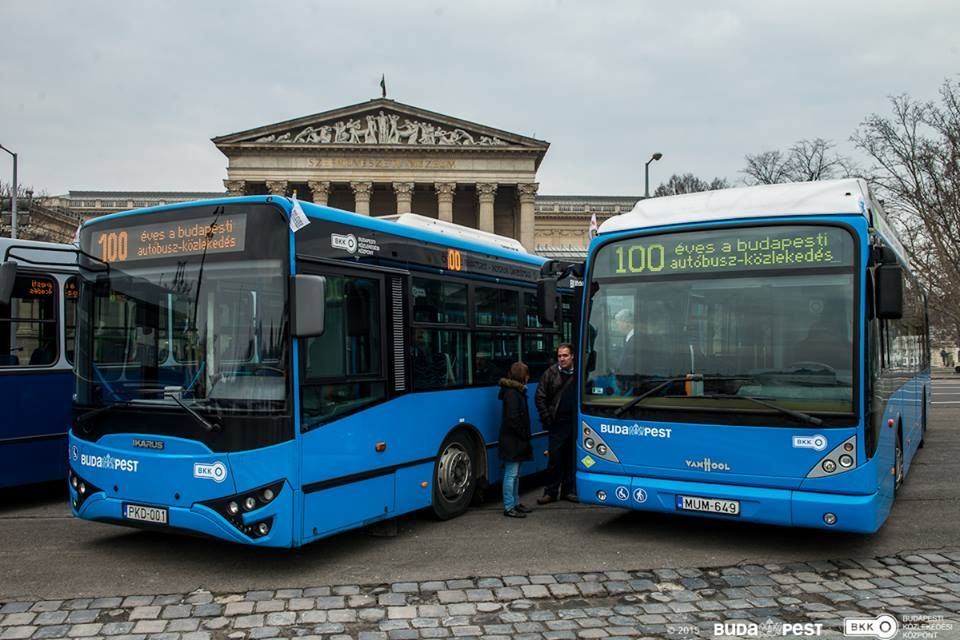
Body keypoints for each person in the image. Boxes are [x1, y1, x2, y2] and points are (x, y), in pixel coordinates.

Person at [535, 343, 578, 504]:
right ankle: (550, 492)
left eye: (565, 355)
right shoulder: (550, 373)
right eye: (559, 356)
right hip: (557, 423)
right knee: (555, 458)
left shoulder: (580, 372)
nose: (562, 359)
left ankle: (568, 491)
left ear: (572, 356)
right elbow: (539, 396)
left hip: (574, 422)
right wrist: (547, 417)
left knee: (570, 458)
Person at [498, 362, 533, 518]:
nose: (528, 377)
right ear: (522, 376)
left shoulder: (514, 391)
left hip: (514, 439)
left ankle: (515, 503)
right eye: (527, 374)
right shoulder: (513, 393)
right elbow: (513, 419)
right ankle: (509, 506)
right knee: (511, 474)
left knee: (516, 474)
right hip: (513, 440)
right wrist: (524, 433)